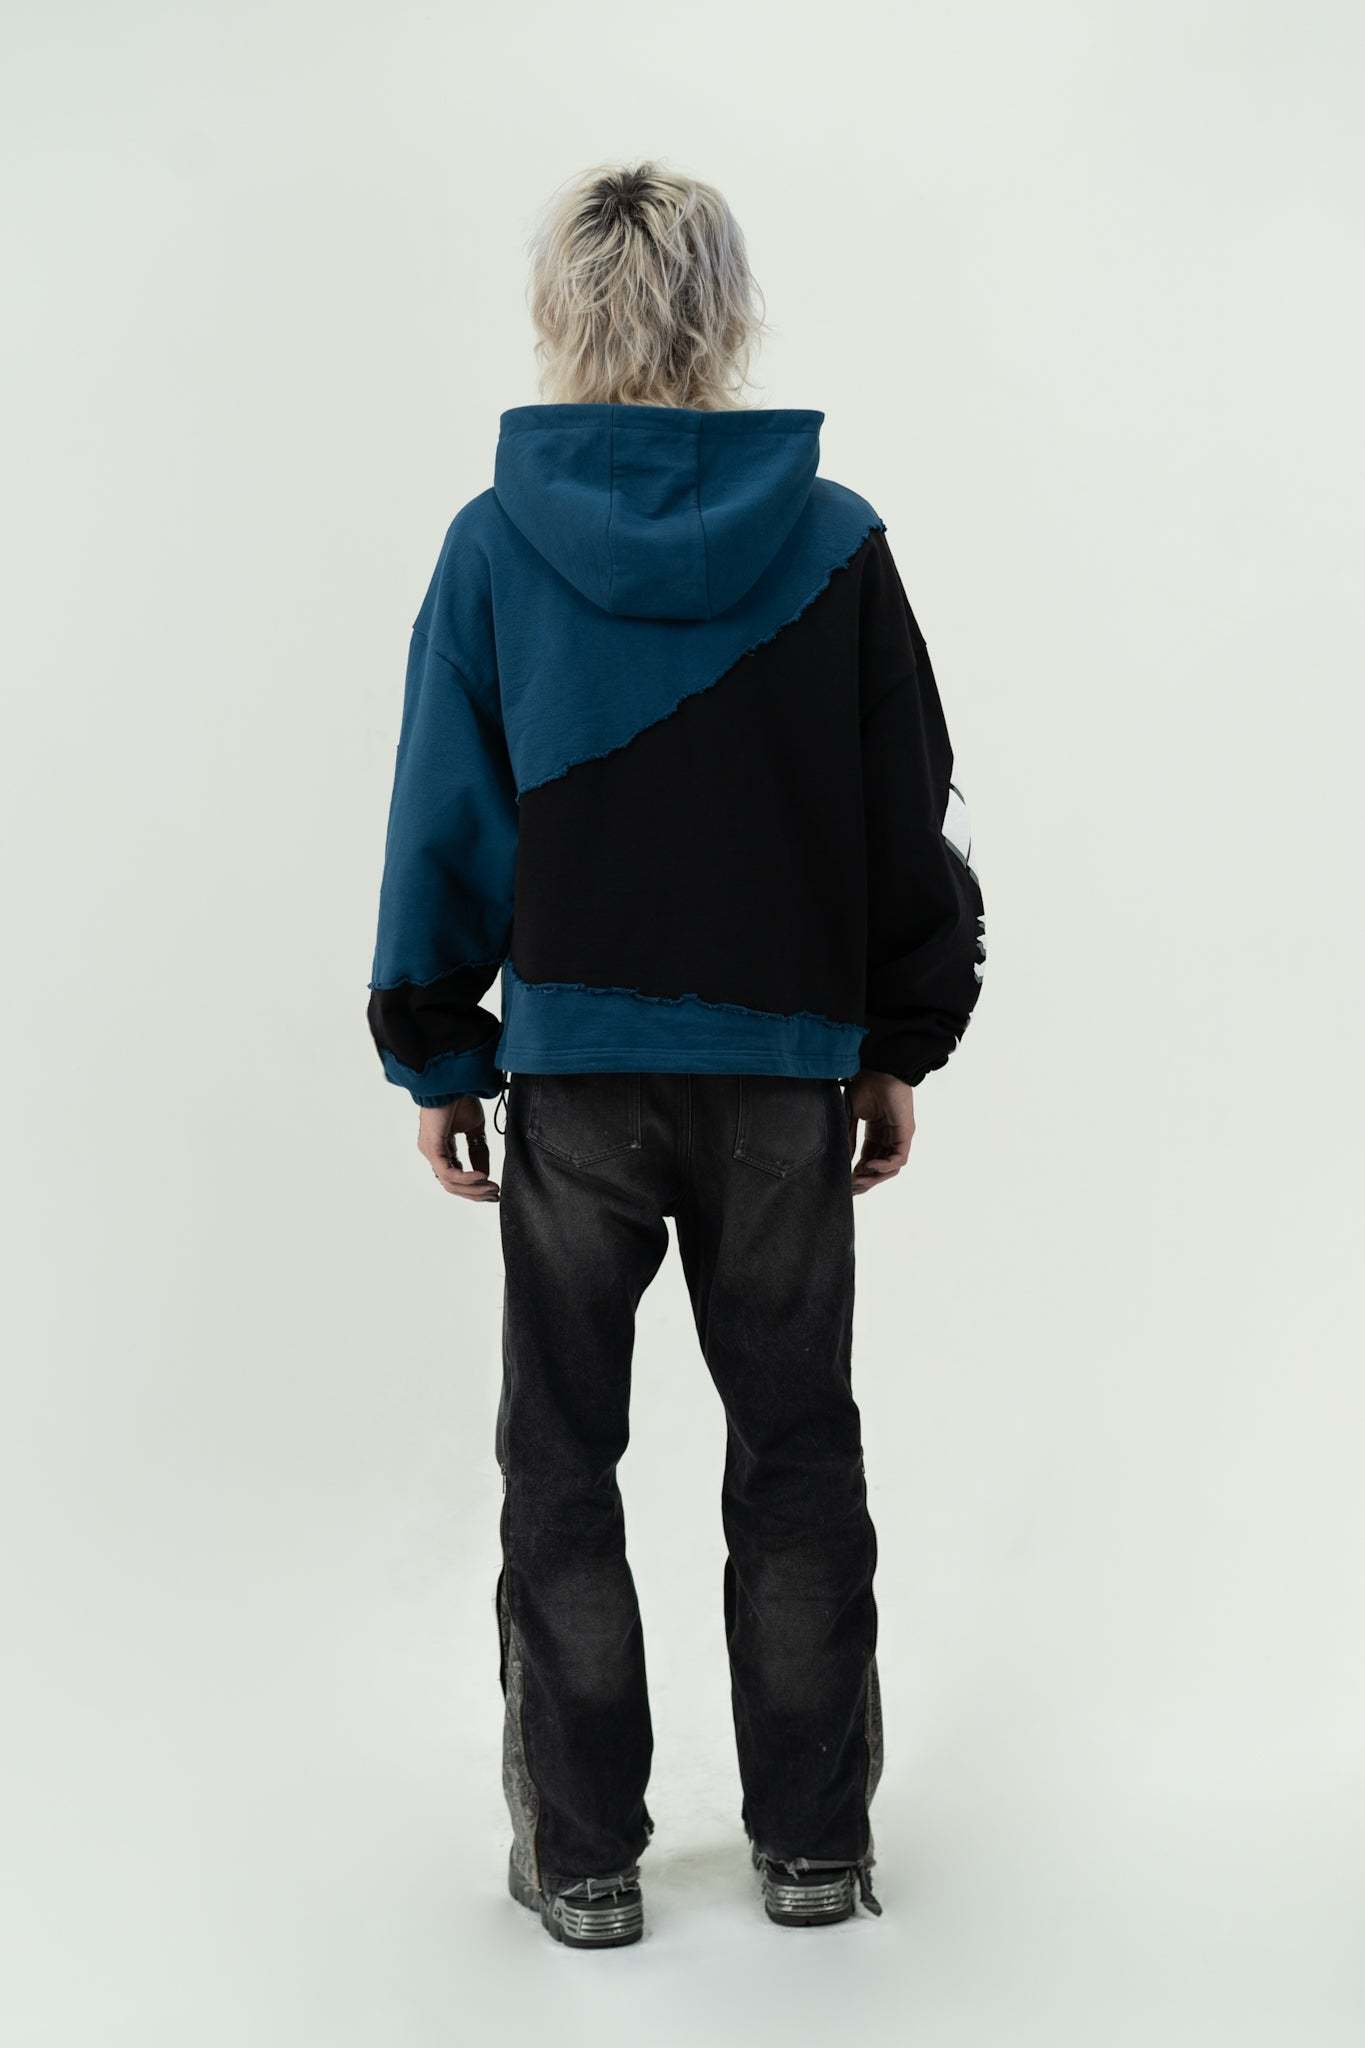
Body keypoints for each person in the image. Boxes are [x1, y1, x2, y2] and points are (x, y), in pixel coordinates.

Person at [366, 162, 985, 1948]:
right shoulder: (833, 537)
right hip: (781, 1076)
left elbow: (443, 811)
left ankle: (582, 1863)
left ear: (561, 311)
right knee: (796, 1452)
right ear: (726, 312)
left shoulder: (494, 544)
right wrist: (894, 1042)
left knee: (563, 1462)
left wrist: (440, 1049)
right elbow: (903, 809)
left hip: (574, 1080)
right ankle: (813, 1850)